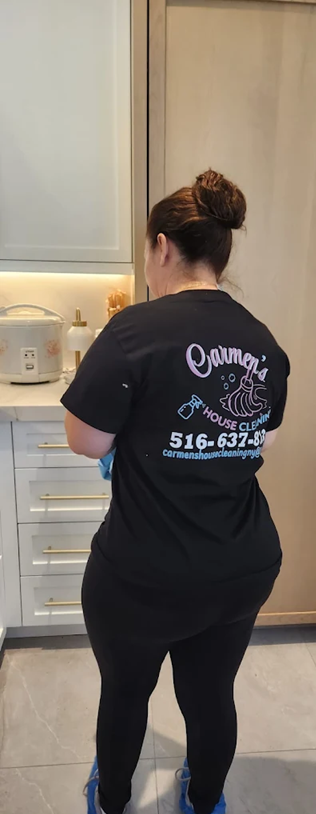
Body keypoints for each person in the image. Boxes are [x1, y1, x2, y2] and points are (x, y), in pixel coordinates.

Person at [62, 169, 290, 814]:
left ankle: (109, 802)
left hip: (142, 572)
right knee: (212, 692)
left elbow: (87, 441)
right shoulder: (264, 343)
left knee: (126, 693)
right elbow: (260, 443)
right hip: (242, 564)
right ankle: (206, 799)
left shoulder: (133, 331)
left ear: (162, 246)